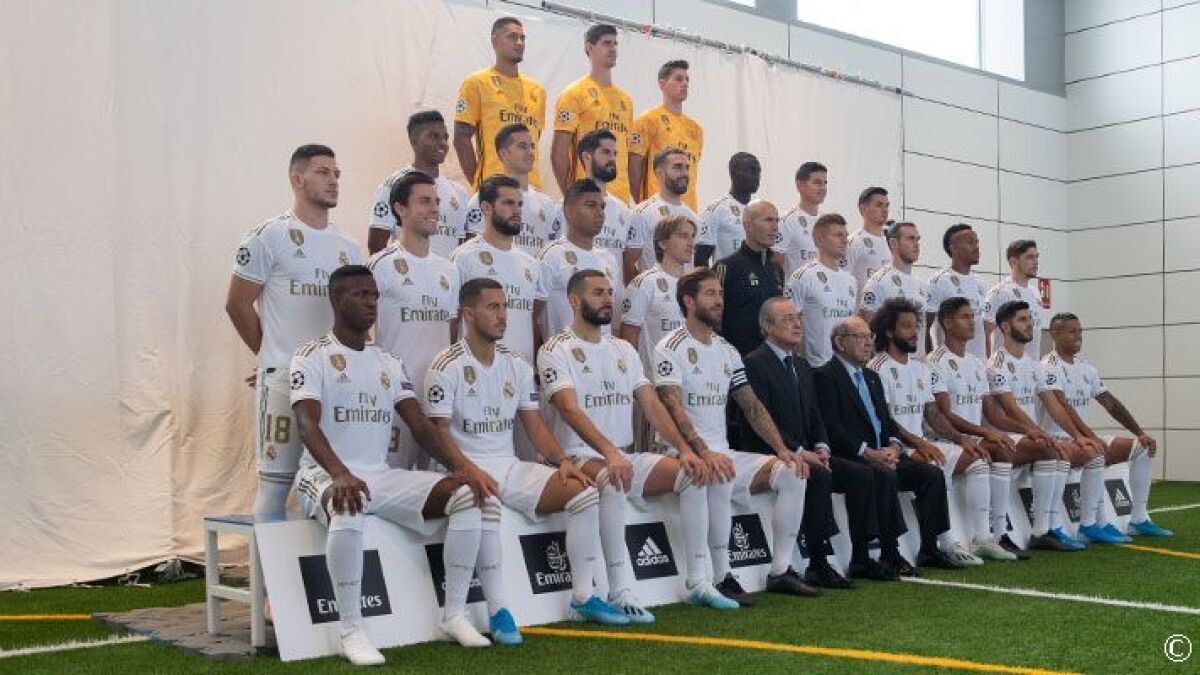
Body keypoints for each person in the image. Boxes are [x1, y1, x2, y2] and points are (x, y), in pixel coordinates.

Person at [290, 266, 497, 664]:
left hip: (379, 475)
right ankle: (351, 630)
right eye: (360, 295)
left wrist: (462, 466)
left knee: (466, 495)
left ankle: (454, 615)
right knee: (348, 503)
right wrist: (340, 473)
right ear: (336, 300)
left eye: (374, 296)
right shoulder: (311, 355)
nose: (371, 303)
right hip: (322, 473)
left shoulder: (387, 360)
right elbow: (306, 424)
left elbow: (420, 425)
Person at [424, 278, 627, 642]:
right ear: (468, 314)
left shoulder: (515, 364)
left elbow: (533, 424)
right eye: (492, 307)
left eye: (505, 307)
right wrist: (467, 468)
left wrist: (561, 459)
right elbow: (438, 432)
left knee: (584, 492)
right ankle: (498, 610)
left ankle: (584, 596)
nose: (503, 315)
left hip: (509, 464)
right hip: (465, 466)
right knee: (484, 499)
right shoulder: (446, 364)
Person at [540, 269, 739, 619]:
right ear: (574, 300)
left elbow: (652, 405)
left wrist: (686, 449)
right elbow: (568, 409)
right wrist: (610, 453)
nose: (607, 299)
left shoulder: (623, 349)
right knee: (614, 478)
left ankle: (699, 581)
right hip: (578, 455)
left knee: (694, 473)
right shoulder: (556, 349)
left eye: (609, 292)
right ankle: (619, 590)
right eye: (598, 293)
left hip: (623, 454)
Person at [653, 269, 816, 604]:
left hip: (723, 452)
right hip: (681, 453)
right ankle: (719, 576)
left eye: (721, 294)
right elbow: (671, 406)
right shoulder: (669, 347)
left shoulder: (727, 350)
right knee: (715, 471)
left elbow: (751, 405)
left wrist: (782, 449)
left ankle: (780, 571)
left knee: (792, 471)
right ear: (688, 301)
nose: (719, 301)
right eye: (710, 294)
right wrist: (703, 451)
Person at [226, 144, 361, 518]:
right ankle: (262, 561)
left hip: (334, 383)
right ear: (297, 179)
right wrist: (269, 356)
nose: (333, 180)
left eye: (337, 174)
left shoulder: (348, 246)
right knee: (275, 486)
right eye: (323, 172)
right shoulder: (268, 236)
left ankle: (321, 556)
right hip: (284, 381)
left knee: (333, 481)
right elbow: (237, 304)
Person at [731, 297, 872, 589]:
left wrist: (822, 447)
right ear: (767, 327)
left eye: (797, 318)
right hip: (771, 453)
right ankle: (818, 564)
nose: (797, 324)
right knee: (818, 476)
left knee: (861, 474)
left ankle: (862, 557)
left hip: (807, 452)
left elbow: (815, 414)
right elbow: (761, 419)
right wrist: (799, 451)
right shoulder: (754, 362)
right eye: (787, 319)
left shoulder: (801, 364)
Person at [814, 317, 958, 578]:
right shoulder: (824, 376)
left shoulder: (871, 377)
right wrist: (867, 452)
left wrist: (894, 445)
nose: (869, 342)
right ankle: (887, 554)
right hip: (852, 456)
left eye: (869, 336)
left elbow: (886, 420)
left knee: (931, 474)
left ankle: (929, 548)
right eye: (860, 337)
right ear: (840, 343)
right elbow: (831, 425)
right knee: (883, 475)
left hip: (883, 454)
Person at [867, 299, 992, 566]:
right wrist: (919, 443)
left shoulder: (920, 367)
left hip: (921, 442)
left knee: (978, 460)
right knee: (934, 465)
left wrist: (961, 439)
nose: (914, 332)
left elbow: (933, 415)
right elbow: (885, 420)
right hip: (896, 446)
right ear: (889, 331)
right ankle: (947, 544)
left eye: (916, 326)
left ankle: (983, 538)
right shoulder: (877, 368)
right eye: (907, 326)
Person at [1042, 313, 1172, 538]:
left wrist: (1139, 432)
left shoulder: (1086, 368)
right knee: (1096, 452)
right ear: (1054, 333)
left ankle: (1139, 519)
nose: (1078, 336)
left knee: (1143, 448)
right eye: (1072, 331)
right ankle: (1090, 524)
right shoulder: (1047, 367)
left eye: (1080, 331)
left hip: (1082, 437)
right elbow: (1064, 407)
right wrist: (1090, 437)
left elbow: (1110, 403)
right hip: (1057, 437)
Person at [367, 172, 460, 468]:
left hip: (439, 399)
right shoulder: (380, 265)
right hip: (396, 399)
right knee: (393, 479)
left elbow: (451, 331)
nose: (434, 209)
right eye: (424, 201)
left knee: (442, 483)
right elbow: (358, 329)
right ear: (400, 209)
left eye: (436, 202)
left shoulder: (449, 270)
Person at [986, 300, 1083, 552]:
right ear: (1005, 327)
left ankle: (1050, 527)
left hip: (1028, 437)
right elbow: (1011, 409)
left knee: (1062, 450)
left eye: (1030, 319)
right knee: (1050, 448)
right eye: (1022, 320)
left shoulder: (1032, 363)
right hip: (1006, 438)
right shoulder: (996, 363)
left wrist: (1077, 436)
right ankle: (1037, 531)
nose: (1030, 324)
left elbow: (1053, 405)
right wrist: (1038, 432)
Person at [449, 174, 545, 365]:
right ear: (486, 208)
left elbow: (533, 321)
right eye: (508, 203)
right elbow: (452, 320)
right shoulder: (464, 257)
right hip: (476, 370)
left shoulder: (531, 263)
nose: (516, 211)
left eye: (519, 204)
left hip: (522, 371)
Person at [453, 16, 546, 190]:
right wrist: (481, 185)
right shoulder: (477, 83)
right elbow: (461, 137)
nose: (519, 43)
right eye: (512, 37)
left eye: (522, 38)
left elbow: (534, 137)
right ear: (495, 41)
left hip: (531, 189)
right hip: (494, 188)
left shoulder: (537, 90)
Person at [551, 24, 635, 204]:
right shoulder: (574, 93)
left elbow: (624, 154)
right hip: (586, 196)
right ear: (590, 48)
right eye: (606, 43)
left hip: (621, 201)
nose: (613, 48)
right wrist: (570, 197)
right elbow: (559, 151)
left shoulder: (626, 100)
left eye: (615, 43)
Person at [367, 111, 468, 258]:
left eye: (445, 137)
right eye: (433, 136)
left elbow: (460, 246)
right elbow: (376, 244)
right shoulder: (393, 185)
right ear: (413, 141)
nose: (442, 143)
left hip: (446, 272)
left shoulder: (459, 192)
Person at [538, 179, 622, 342]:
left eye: (602, 207)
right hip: (563, 353)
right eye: (591, 205)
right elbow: (534, 315)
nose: (599, 213)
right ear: (568, 211)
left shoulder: (609, 259)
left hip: (601, 353)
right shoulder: (551, 255)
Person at [549, 130, 634, 285]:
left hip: (611, 296)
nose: (612, 159)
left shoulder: (624, 211)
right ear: (587, 157)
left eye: (615, 154)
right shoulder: (563, 207)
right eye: (606, 152)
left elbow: (628, 265)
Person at [462, 124, 558, 256]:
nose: (530, 152)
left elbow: (550, 253)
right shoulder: (484, 198)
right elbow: (473, 250)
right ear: (504, 153)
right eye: (522, 146)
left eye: (532, 146)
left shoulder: (546, 204)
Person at [628, 60, 703, 210]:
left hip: (689, 210)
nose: (685, 83)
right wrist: (643, 205)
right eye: (678, 79)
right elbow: (634, 165)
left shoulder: (696, 129)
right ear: (662, 84)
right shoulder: (648, 120)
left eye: (687, 79)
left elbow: (691, 172)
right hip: (659, 209)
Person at [713, 200, 784, 356]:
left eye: (777, 220)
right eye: (768, 220)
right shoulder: (726, 267)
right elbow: (712, 319)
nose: (775, 227)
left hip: (770, 360)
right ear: (748, 225)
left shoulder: (776, 269)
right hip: (737, 359)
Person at [786, 214, 856, 367]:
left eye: (846, 235)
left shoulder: (850, 280)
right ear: (819, 240)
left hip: (846, 366)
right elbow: (789, 325)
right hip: (816, 367)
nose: (844, 240)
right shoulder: (803, 276)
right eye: (838, 235)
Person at [628, 148, 702, 274]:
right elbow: (628, 264)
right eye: (677, 167)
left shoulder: (694, 218)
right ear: (660, 173)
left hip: (685, 286)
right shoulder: (643, 213)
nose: (684, 173)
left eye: (686, 168)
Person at [859, 221, 931, 349]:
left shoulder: (922, 285)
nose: (916, 244)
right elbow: (868, 331)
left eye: (917, 239)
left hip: (918, 360)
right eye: (910, 239)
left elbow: (924, 331)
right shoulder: (879, 282)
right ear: (894, 243)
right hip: (888, 359)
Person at [927, 223, 988, 358]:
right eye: (970, 242)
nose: (976, 247)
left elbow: (984, 329)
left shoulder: (980, 283)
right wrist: (930, 361)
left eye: (977, 242)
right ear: (953, 248)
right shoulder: (939, 281)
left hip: (978, 365)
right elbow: (926, 327)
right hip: (949, 364)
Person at [984, 240, 1043, 359]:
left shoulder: (1035, 292)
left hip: (1031, 366)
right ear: (1013, 261)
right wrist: (989, 364)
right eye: (1030, 257)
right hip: (1006, 366)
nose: (1036, 262)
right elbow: (985, 331)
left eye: (1037, 256)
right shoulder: (1000, 292)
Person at [700, 152, 762, 264]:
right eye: (751, 171)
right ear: (734, 173)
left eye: (758, 172)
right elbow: (700, 258)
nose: (756, 177)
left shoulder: (761, 210)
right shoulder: (718, 210)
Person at [773, 161, 827, 277]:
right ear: (800, 185)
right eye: (817, 183)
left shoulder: (827, 222)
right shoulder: (786, 221)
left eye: (825, 183)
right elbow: (775, 265)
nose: (823, 188)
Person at [845, 187, 891, 299]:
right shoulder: (853, 242)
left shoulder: (892, 244)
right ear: (863, 209)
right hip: (861, 308)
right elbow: (841, 279)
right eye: (879, 205)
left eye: (887, 206)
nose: (885, 210)